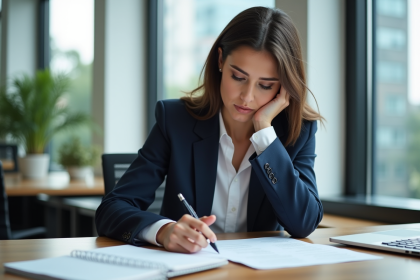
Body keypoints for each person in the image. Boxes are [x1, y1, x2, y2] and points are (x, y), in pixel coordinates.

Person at [95, 6, 324, 254]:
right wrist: (163, 231)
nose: (247, 97)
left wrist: (265, 135)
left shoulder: (298, 132)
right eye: (238, 77)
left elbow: (304, 223)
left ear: (284, 89)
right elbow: (111, 209)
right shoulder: (175, 121)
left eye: (265, 85)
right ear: (220, 60)